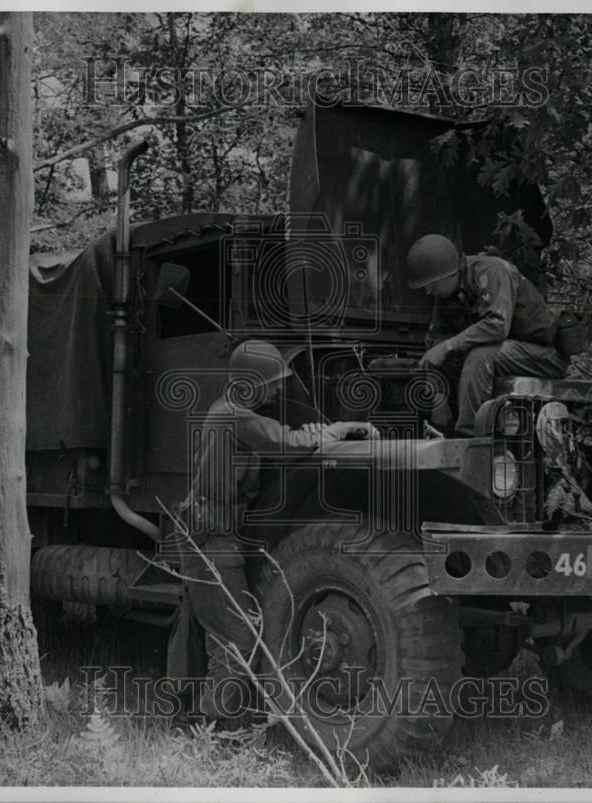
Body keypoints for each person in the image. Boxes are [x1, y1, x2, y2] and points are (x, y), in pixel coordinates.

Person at [177, 339, 376, 724]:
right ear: (250, 383)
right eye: (273, 381)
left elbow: (280, 435)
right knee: (235, 633)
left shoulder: (233, 413)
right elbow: (285, 441)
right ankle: (218, 727)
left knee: (232, 626)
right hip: (212, 539)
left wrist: (322, 431)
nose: (280, 388)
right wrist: (338, 430)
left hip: (214, 536)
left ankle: (218, 716)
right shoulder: (235, 416)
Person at [406, 234, 567, 436]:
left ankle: (469, 437)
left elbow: (497, 324)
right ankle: (446, 433)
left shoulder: (490, 272)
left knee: (480, 356)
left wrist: (449, 346)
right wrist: (438, 396)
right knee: (444, 351)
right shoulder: (446, 296)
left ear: (449, 274)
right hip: (506, 354)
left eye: (432, 284)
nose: (429, 291)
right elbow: (435, 345)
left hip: (544, 356)